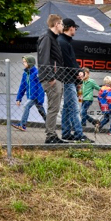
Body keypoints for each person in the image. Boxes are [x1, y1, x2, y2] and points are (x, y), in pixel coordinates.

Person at [58, 18, 90, 143]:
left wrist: (78, 71)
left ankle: (66, 132)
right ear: (70, 27)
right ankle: (79, 134)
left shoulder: (64, 41)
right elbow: (68, 61)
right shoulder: (63, 42)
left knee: (67, 107)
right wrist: (78, 72)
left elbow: (71, 61)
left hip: (68, 77)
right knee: (74, 108)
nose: (75, 30)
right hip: (67, 79)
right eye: (75, 28)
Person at [36, 13, 65, 144]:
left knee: (54, 108)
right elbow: (44, 59)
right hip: (51, 79)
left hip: (56, 77)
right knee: (53, 108)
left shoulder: (53, 38)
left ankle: (52, 135)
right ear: (56, 24)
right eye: (62, 24)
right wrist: (50, 77)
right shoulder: (47, 37)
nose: (63, 27)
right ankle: (50, 136)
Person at [13, 56, 46, 131]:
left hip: (35, 96)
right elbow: (22, 86)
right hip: (30, 95)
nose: (23, 63)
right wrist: (19, 98)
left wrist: (40, 98)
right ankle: (49, 125)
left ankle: (22, 125)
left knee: (26, 106)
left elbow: (40, 87)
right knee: (41, 111)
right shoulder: (25, 74)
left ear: (30, 63)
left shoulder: (36, 73)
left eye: (25, 62)